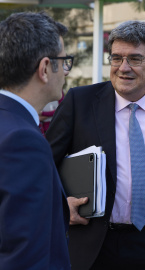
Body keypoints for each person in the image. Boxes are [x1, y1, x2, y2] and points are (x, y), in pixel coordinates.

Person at [46, 20, 145, 270]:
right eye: (116, 58)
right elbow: (44, 165)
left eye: (135, 59)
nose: (123, 68)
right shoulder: (80, 103)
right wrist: (62, 206)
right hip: (92, 245)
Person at [0, 11, 74, 269]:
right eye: (64, 61)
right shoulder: (23, 141)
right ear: (44, 68)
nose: (66, 71)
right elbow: (25, 255)